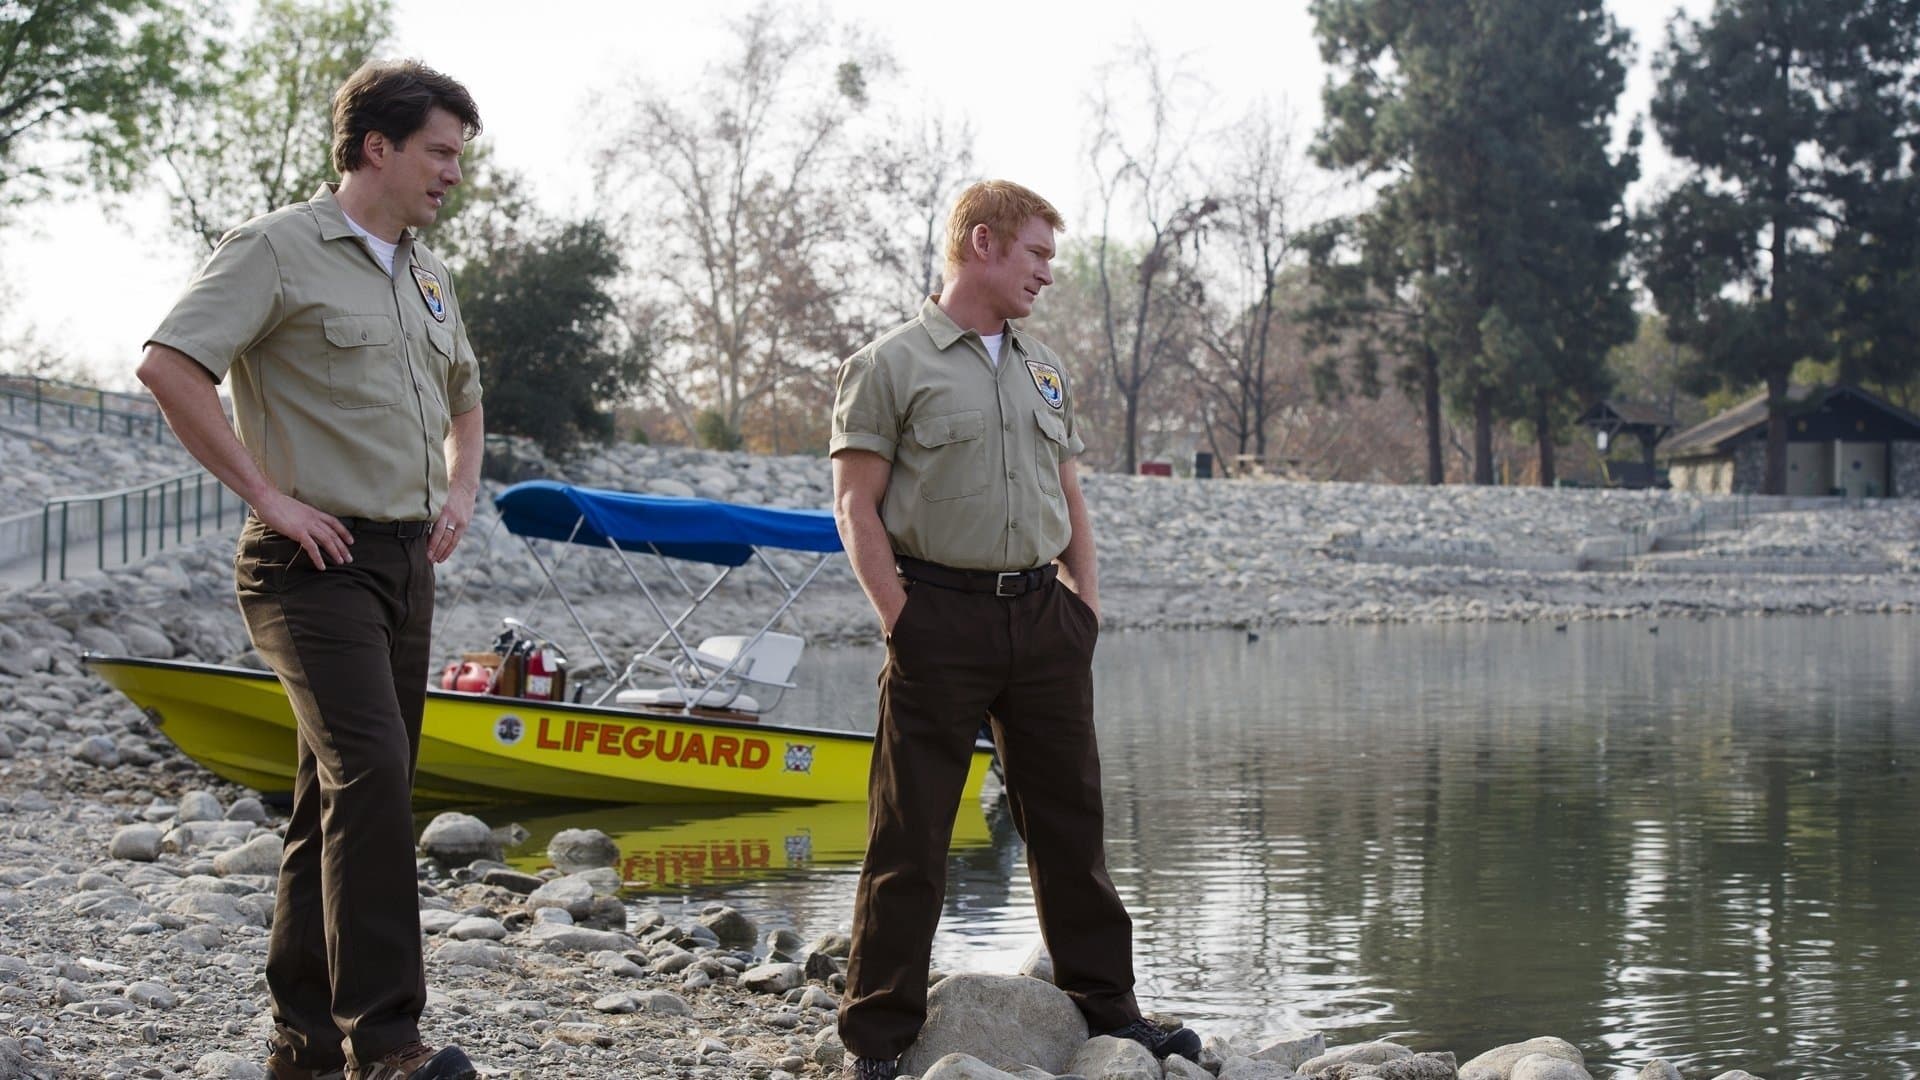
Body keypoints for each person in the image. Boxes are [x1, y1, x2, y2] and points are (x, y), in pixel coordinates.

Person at [136, 60, 485, 1080]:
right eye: (440, 151)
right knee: (371, 774)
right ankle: (386, 1041)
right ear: (375, 145)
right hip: (306, 562)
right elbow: (168, 364)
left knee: (334, 797)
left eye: (459, 155)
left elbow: (465, 393)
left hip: (403, 563)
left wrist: (462, 490)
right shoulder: (275, 249)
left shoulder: (427, 274)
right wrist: (268, 497)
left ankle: (302, 1041)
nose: (453, 173)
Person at [828, 180, 1202, 1080]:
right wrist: (902, 621)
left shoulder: (1042, 367)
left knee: (1073, 824)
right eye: (1036, 254)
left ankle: (1111, 1013)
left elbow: (1070, 496)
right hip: (936, 618)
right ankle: (876, 1040)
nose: (1046, 273)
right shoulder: (891, 363)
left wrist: (1084, 607)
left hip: (1043, 619)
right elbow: (854, 505)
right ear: (983, 243)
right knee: (909, 832)